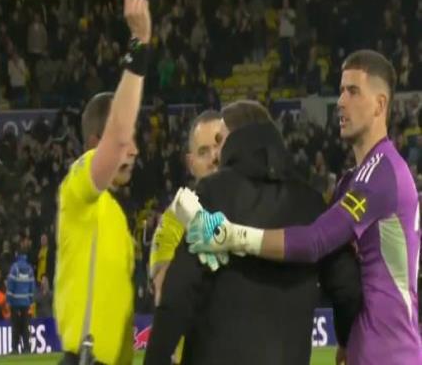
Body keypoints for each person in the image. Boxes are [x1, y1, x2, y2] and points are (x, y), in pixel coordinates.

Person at [187, 50, 422, 365]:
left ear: (380, 105)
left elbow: (314, 242)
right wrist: (346, 339)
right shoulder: (352, 180)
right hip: (369, 349)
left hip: (391, 353)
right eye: (341, 90)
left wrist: (232, 236)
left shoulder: (382, 173)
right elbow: (339, 270)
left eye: (353, 91)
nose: (341, 101)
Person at [145, 100, 362, 365]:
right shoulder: (312, 203)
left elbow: (177, 293)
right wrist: (346, 340)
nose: (216, 154)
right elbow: (347, 287)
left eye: (219, 140)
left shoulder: (212, 195)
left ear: (236, 138)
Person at [54, 0, 152, 365]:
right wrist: (139, 46)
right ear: (97, 143)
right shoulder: (77, 190)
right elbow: (117, 138)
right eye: (127, 142)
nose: (134, 150)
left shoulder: (116, 218)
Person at [149, 110, 224, 364]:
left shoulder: (256, 206)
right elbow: (166, 296)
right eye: (204, 152)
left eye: (220, 146)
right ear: (191, 163)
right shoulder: (175, 219)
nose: (214, 158)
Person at [6, 252, 35, 354]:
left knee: (16, 326)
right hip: (26, 303)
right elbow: (32, 287)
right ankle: (27, 348)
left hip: (15, 303)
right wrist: (31, 301)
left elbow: (10, 286)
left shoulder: (14, 268)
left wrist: (8, 300)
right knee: (25, 327)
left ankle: (15, 349)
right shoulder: (30, 269)